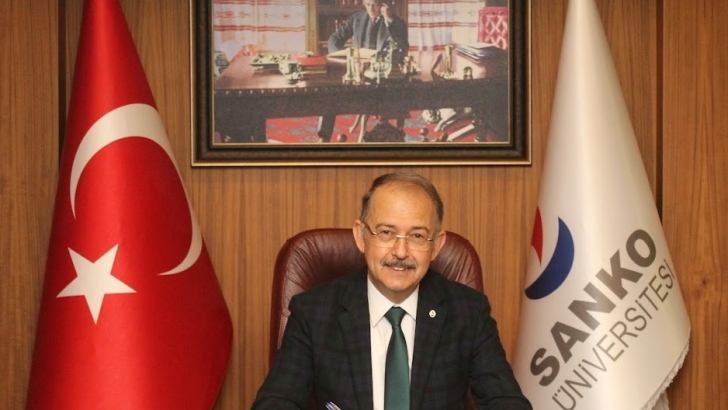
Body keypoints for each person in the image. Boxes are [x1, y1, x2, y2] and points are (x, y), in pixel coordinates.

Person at [252, 172, 532, 409]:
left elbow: (506, 402)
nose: (400, 251)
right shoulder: (314, 313)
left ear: (436, 245)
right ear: (361, 236)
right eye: (386, 232)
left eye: (417, 236)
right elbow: (276, 402)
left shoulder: (468, 313)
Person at [318, 0, 409, 142]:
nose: (371, 8)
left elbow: (402, 47)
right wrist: (343, 57)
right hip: (358, 77)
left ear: (383, 5)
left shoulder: (395, 22)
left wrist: (389, 20)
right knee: (329, 94)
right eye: (367, 4)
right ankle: (324, 137)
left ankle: (394, 135)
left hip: (383, 80)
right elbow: (334, 39)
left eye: (375, 4)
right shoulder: (357, 19)